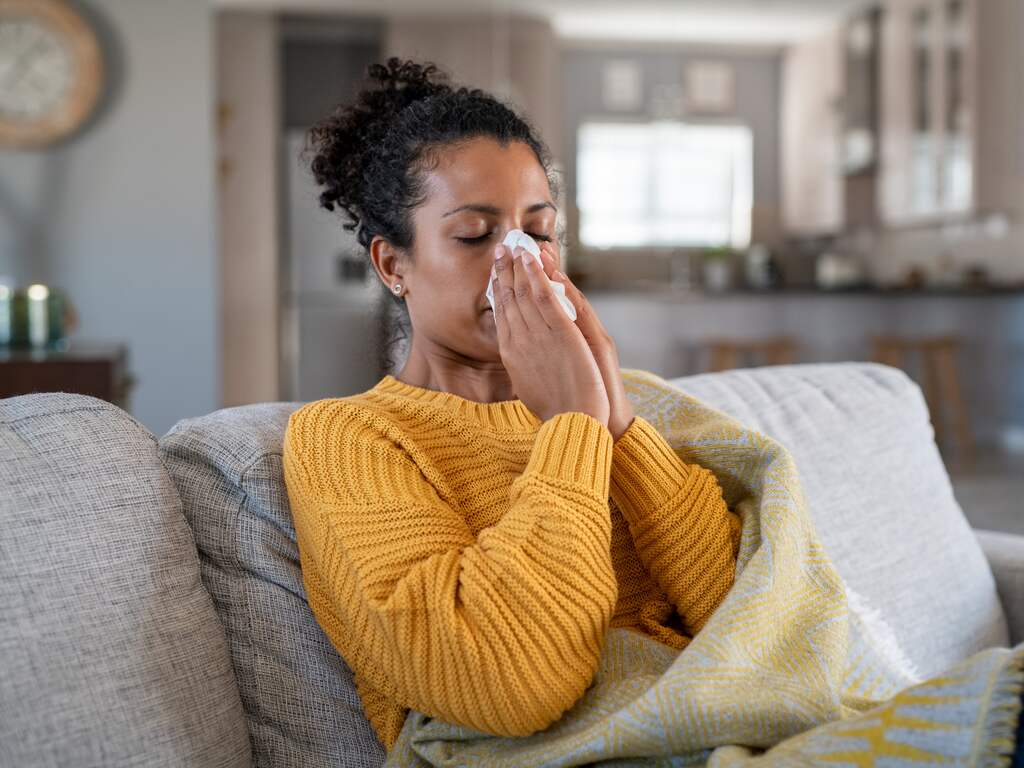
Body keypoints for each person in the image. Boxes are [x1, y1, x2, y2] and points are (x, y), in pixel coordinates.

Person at [282, 56, 742, 754]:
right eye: (474, 235)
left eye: (542, 230)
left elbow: (749, 618)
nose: (520, 260)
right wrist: (574, 429)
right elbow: (506, 682)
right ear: (393, 264)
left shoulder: (618, 406)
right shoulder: (349, 438)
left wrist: (616, 424)